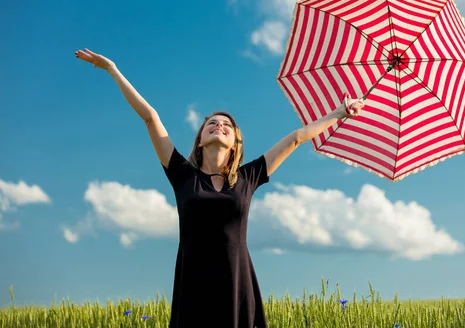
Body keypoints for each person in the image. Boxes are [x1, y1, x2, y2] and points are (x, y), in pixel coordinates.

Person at [74, 48, 364, 327]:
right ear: (200, 139)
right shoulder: (182, 174)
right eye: (211, 123)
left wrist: (339, 113)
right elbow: (150, 117)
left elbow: (295, 139)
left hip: (236, 282)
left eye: (227, 125)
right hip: (193, 283)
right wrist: (112, 69)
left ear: (236, 141)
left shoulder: (247, 177)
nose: (219, 125)